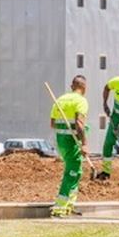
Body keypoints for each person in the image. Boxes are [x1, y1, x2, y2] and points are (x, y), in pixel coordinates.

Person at [50, 75, 89, 216]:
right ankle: (59, 207)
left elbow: (52, 124)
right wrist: (84, 144)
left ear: (72, 86)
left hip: (61, 141)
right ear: (84, 87)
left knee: (76, 172)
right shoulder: (81, 101)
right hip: (72, 142)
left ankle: (69, 205)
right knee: (71, 172)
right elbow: (79, 123)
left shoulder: (60, 100)